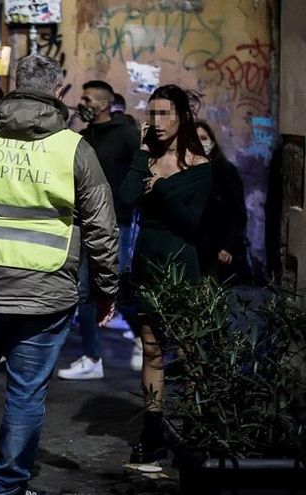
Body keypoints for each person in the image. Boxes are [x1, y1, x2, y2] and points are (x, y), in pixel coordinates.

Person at [0, 54, 119, 495]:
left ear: (15, 83)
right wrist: (106, 290)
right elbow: (101, 227)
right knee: (26, 393)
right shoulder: (73, 148)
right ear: (57, 92)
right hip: (45, 292)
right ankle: (8, 486)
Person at [119, 84, 212, 464]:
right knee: (152, 349)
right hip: (148, 261)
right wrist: (143, 153)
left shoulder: (200, 166)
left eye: (164, 114)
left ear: (181, 116)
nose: (156, 122)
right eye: (151, 113)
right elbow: (125, 198)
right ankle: (153, 432)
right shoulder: (147, 159)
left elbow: (191, 225)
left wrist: (162, 191)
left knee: (188, 351)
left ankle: (194, 429)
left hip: (181, 263)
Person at [56, 80, 141, 381]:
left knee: (116, 287)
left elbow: (141, 169)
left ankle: (145, 338)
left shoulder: (126, 134)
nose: (83, 104)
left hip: (116, 222)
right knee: (84, 292)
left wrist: (127, 202)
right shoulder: (85, 136)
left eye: (88, 99)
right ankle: (92, 357)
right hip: (86, 222)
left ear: (104, 104)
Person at [196, 121, 250, 284]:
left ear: (212, 142)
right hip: (196, 249)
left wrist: (227, 247)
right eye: (196, 139)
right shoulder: (188, 174)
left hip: (218, 251)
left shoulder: (225, 171)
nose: (200, 143)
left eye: (204, 138)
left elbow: (237, 213)